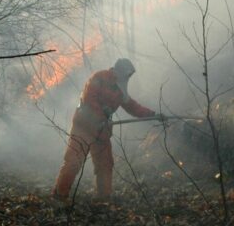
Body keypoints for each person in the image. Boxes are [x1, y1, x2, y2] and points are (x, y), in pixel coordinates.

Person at [53, 58, 158, 200]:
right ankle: (60, 196)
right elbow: (89, 98)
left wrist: (153, 115)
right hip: (84, 125)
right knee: (74, 161)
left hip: (102, 131)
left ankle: (104, 198)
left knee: (105, 164)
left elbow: (133, 107)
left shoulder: (121, 91)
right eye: (127, 74)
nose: (128, 78)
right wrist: (101, 116)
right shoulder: (100, 77)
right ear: (120, 71)